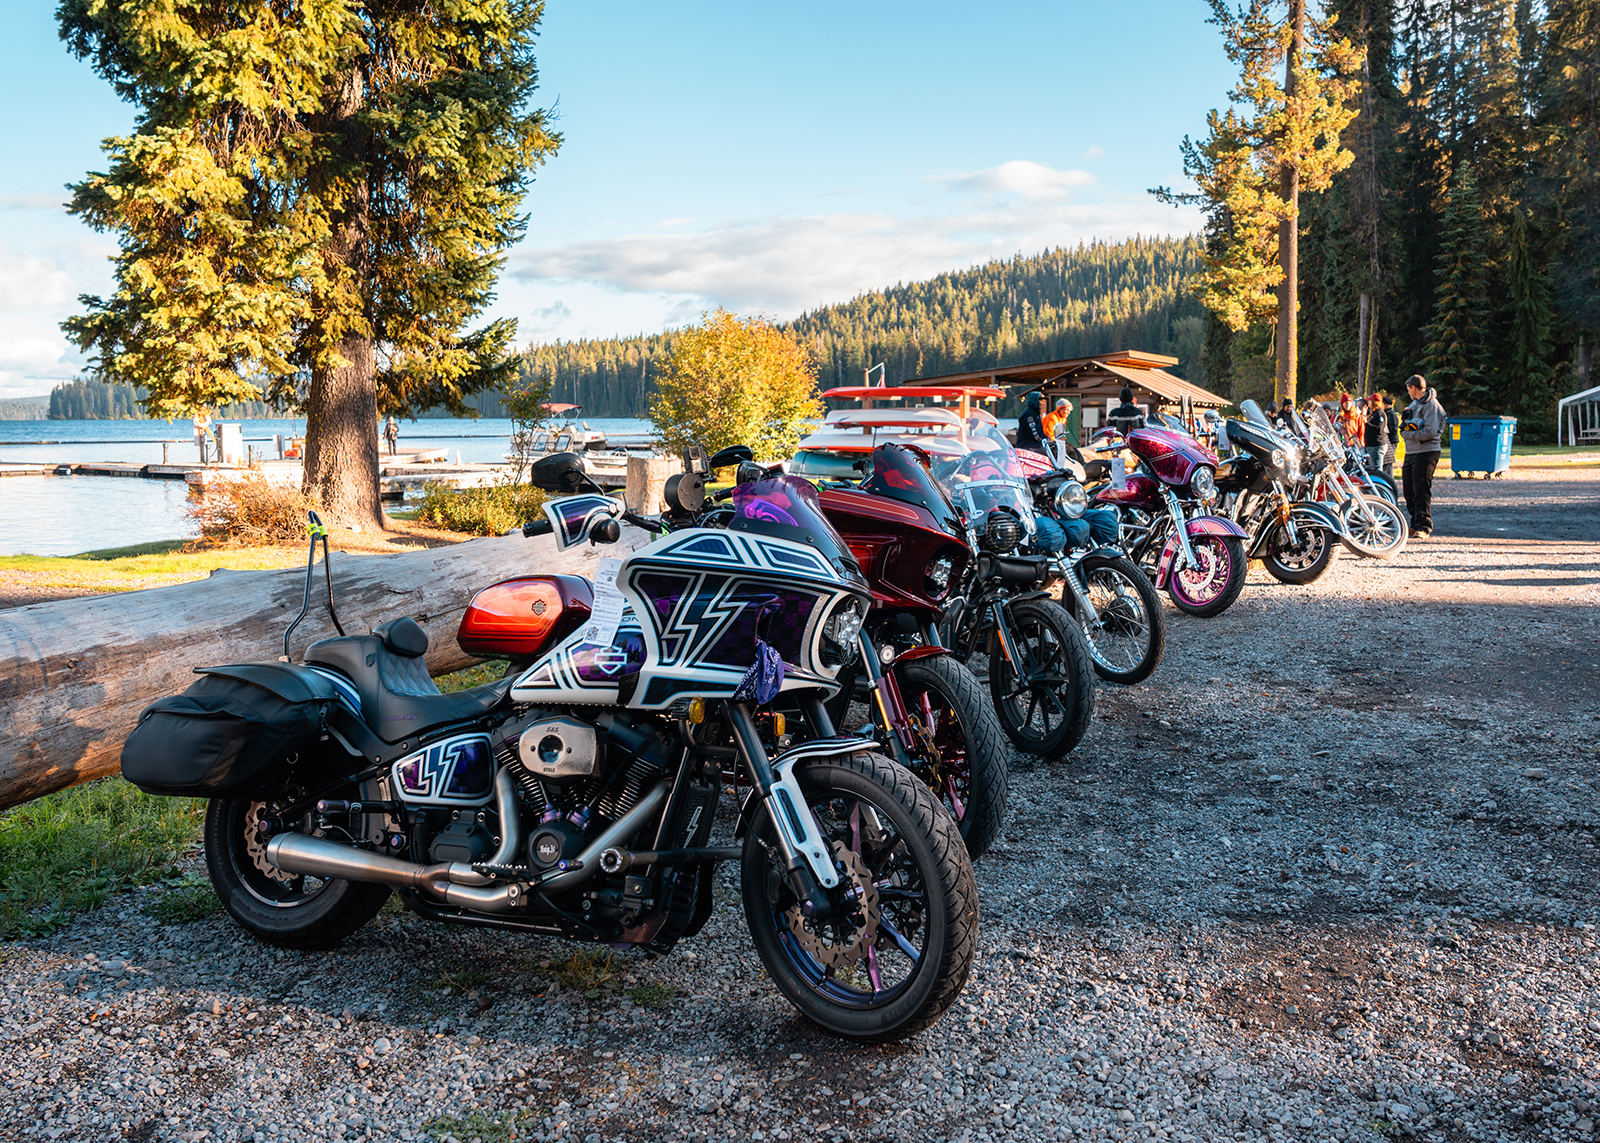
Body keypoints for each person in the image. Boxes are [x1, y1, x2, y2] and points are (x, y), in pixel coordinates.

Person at [1400, 374, 1447, 538]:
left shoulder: (1431, 405)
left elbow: (1430, 431)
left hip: (1427, 451)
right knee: (1409, 490)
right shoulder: (1415, 404)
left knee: (1421, 489)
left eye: (1408, 389)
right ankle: (1414, 522)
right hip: (1412, 451)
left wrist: (1407, 434)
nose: (1408, 392)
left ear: (1414, 388)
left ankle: (1424, 526)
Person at [1015, 392, 1048, 456]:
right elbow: (1036, 435)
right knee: (1047, 451)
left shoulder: (1035, 414)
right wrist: (1046, 440)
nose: (1043, 403)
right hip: (1026, 446)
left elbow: (1040, 432)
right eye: (1041, 400)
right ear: (1035, 401)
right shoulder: (1029, 415)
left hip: (1032, 444)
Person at [1363, 392, 1389, 472]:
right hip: (1371, 445)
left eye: (1370, 401)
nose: (1368, 403)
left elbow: (1378, 429)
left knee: (1377, 471)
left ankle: (1378, 483)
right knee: (1373, 469)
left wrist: (1366, 423)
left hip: (1376, 446)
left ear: (1374, 402)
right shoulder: (1373, 413)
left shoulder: (1379, 413)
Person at [1381, 395, 1400, 480]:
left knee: (1389, 460)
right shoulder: (1387, 414)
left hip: (1392, 440)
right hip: (1391, 439)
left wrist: (1389, 435)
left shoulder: (1391, 414)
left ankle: (1390, 478)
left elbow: (1394, 428)